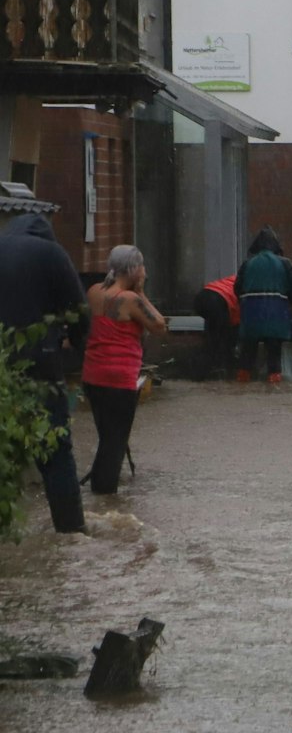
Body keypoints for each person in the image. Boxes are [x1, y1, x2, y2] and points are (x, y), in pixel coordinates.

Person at [0, 214, 89, 532]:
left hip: (2, 365)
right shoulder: (51, 253)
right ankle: (70, 534)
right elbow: (79, 309)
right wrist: (77, 344)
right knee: (56, 449)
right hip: (41, 361)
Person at [82, 245, 167, 494]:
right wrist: (141, 292)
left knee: (107, 438)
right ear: (132, 269)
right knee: (116, 442)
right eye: (142, 266)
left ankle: (99, 493)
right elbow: (160, 326)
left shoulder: (94, 291)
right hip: (119, 380)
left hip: (93, 376)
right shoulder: (130, 299)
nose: (145, 271)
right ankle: (105, 496)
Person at [235, 227, 292, 387]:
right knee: (274, 354)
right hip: (276, 316)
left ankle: (242, 382)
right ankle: (274, 384)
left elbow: (237, 288)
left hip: (251, 317)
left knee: (247, 353)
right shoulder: (285, 263)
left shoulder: (247, 264)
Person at [193, 273, 239, 379]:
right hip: (219, 300)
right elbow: (236, 322)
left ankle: (202, 373)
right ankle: (212, 373)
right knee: (219, 342)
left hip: (202, 297)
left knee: (212, 337)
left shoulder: (238, 277)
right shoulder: (251, 289)